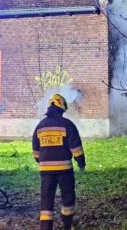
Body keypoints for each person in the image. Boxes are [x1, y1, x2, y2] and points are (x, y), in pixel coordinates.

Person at [32, 94, 85, 230]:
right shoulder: (67, 124)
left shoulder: (40, 126)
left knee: (46, 199)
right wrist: (81, 162)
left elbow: (36, 152)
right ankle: (66, 224)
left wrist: (44, 162)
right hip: (64, 170)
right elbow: (76, 147)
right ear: (61, 108)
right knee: (67, 196)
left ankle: (45, 227)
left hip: (45, 172)